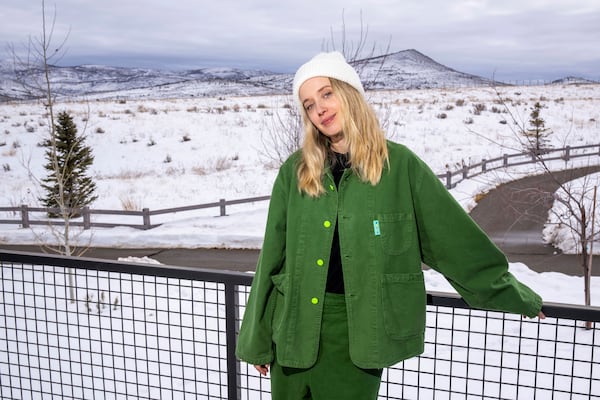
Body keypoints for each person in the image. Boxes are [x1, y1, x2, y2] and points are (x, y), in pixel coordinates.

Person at [235, 51, 545, 399]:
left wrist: (514, 295)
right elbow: (272, 258)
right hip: (292, 331)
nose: (319, 109)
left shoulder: (399, 166)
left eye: (326, 93)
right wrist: (256, 340)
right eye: (308, 104)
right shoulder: (296, 172)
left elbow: (452, 239)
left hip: (358, 337)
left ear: (349, 93)